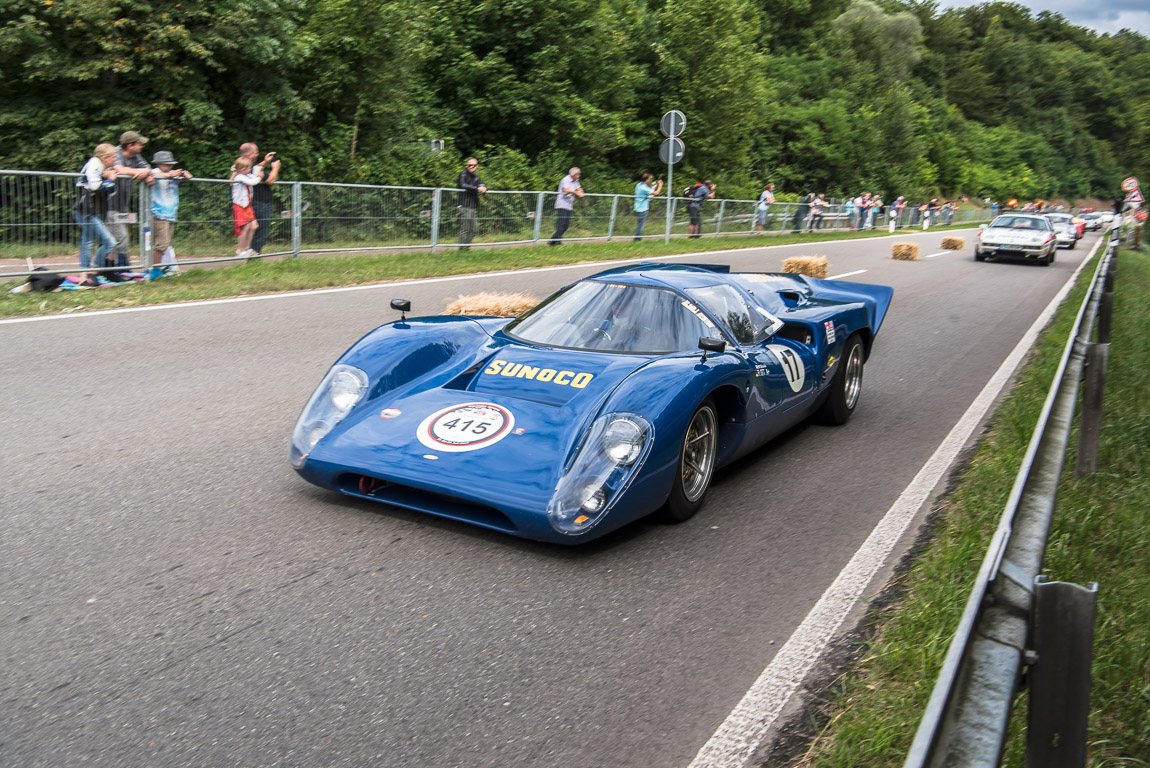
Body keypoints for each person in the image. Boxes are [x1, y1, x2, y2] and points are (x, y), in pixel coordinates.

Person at [72, 143, 119, 285]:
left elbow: (112, 191)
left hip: (95, 211)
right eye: (113, 157)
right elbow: (95, 186)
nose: (115, 160)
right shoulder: (94, 164)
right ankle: (94, 270)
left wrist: (108, 178)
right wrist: (110, 179)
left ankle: (84, 276)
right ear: (105, 158)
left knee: (87, 242)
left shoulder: (101, 167)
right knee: (109, 242)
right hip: (86, 212)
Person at [109, 130, 155, 268]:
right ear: (130, 145)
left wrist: (146, 173)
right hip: (108, 205)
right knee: (119, 238)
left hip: (123, 206)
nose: (142, 146)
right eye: (139, 144)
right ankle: (111, 268)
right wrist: (139, 172)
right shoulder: (114, 153)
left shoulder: (136, 157)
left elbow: (148, 168)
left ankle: (119, 267)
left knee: (119, 237)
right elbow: (120, 170)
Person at [148, 150, 192, 279]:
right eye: (167, 164)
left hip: (171, 214)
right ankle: (155, 270)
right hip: (159, 214)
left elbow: (183, 180)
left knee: (166, 243)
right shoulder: (155, 172)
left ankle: (164, 268)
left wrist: (186, 176)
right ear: (159, 164)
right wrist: (170, 174)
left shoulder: (171, 175)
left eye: (171, 164)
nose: (170, 167)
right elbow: (154, 176)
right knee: (161, 244)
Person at [237, 143, 280, 255]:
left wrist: (265, 161)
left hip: (252, 203)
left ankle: (249, 253)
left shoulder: (241, 166)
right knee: (260, 232)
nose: (257, 154)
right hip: (260, 203)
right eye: (256, 152)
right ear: (250, 154)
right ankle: (253, 258)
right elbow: (270, 180)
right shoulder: (247, 168)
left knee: (253, 228)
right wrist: (275, 168)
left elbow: (256, 168)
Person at [230, 156, 265, 257]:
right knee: (245, 228)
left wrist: (258, 175)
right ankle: (240, 250)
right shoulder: (239, 177)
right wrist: (260, 177)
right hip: (240, 205)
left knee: (254, 226)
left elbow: (253, 178)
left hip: (247, 205)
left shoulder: (247, 175)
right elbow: (253, 182)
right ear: (242, 169)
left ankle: (247, 248)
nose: (250, 169)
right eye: (249, 167)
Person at [548, 167, 583, 245]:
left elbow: (579, 188)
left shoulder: (576, 181)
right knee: (561, 225)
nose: (579, 176)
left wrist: (581, 192)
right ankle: (553, 241)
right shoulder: (566, 180)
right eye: (578, 174)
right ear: (573, 174)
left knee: (566, 226)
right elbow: (565, 190)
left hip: (569, 205)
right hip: (562, 204)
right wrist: (576, 192)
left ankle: (554, 241)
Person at [456, 157, 487, 249]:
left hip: (472, 205)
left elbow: (482, 184)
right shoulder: (463, 174)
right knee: (465, 229)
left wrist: (484, 188)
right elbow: (463, 185)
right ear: (467, 165)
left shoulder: (476, 175)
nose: (472, 167)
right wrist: (477, 189)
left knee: (474, 229)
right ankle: (462, 249)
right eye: (470, 165)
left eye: (474, 165)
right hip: (464, 205)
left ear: (477, 166)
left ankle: (466, 246)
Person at [633, 172, 663, 241]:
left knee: (639, 224)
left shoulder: (639, 185)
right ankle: (637, 239)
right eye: (649, 179)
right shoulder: (644, 188)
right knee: (641, 225)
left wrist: (653, 185)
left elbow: (648, 191)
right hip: (642, 208)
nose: (650, 180)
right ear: (646, 179)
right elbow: (656, 193)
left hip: (637, 207)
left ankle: (637, 238)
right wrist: (660, 185)